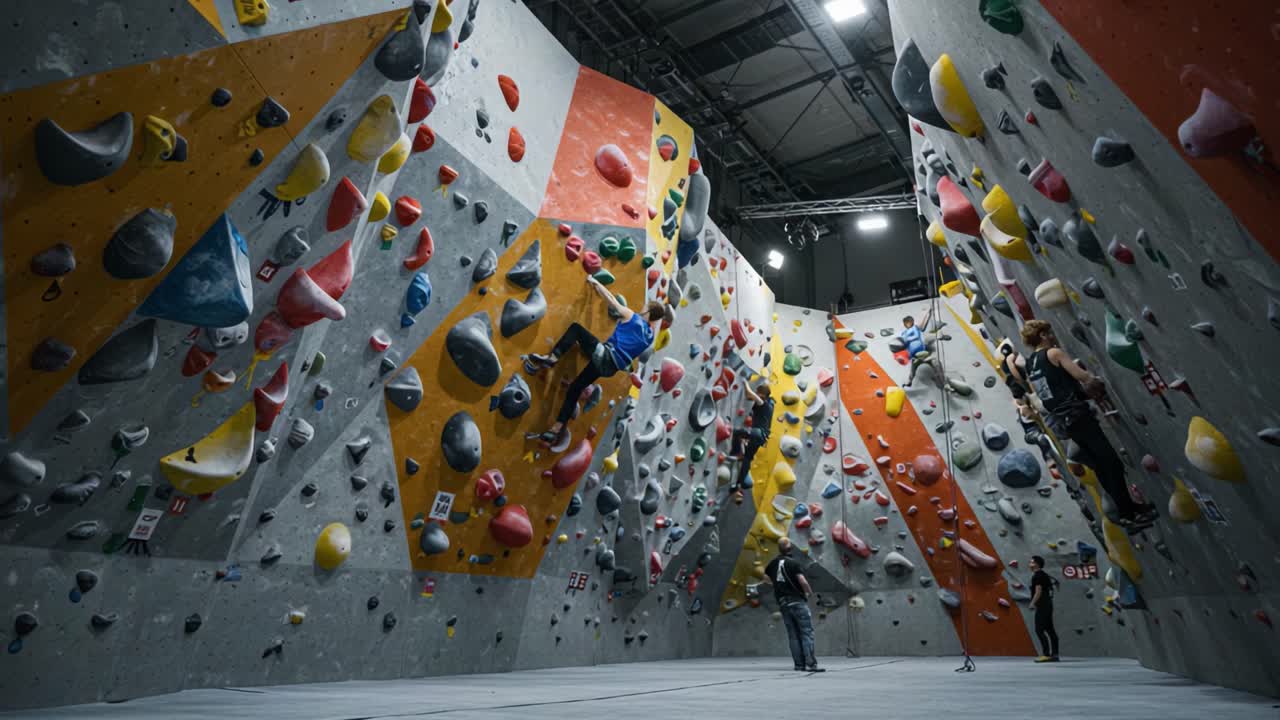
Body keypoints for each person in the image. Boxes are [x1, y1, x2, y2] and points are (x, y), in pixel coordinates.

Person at [1008, 320, 1157, 529]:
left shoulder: (1031, 364)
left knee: (1101, 465)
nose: (1053, 336)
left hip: (1065, 422)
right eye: (1049, 333)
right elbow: (1082, 376)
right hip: (1079, 416)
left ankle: (1128, 511)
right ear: (1042, 335)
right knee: (1111, 462)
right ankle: (1128, 513)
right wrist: (1095, 380)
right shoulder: (1053, 353)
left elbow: (1045, 395)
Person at [526, 276, 664, 446]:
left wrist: (596, 283)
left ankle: (553, 357)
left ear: (648, 312)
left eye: (646, 307)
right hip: (609, 368)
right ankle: (556, 428)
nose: (643, 307)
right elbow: (651, 327)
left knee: (576, 329)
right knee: (575, 389)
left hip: (605, 355)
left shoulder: (634, 318)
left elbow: (612, 301)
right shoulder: (649, 338)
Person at [763, 538, 824, 672]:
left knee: (793, 635)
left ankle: (799, 665)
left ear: (779, 549)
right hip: (797, 601)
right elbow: (802, 581)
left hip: (783, 603)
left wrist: (777, 584)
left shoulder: (772, 563)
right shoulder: (793, 563)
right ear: (789, 548)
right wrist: (809, 593)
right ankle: (811, 664)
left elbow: (765, 578)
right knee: (806, 633)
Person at [730, 380, 773, 491]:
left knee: (736, 432)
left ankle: (735, 453)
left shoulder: (762, 403)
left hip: (758, 433)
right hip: (761, 437)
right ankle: (738, 484)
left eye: (757, 392)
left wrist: (744, 383)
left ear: (762, 394)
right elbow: (750, 398)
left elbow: (749, 394)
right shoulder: (769, 407)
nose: (756, 394)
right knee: (747, 458)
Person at [1028, 555, 1060, 662]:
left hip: (1042, 605)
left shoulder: (1038, 576)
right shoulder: (1044, 575)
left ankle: (1046, 654)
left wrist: (1032, 603)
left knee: (1039, 629)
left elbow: (1038, 591)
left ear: (1037, 564)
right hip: (1047, 604)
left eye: (1031, 562)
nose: (1030, 564)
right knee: (1050, 630)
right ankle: (1055, 654)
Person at [900, 311, 944, 388]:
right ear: (904, 324)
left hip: (925, 353)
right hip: (915, 356)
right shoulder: (904, 333)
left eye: (909, 322)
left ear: (912, 322)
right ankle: (909, 382)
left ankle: (941, 380)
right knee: (912, 370)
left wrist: (927, 314)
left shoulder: (916, 329)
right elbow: (904, 344)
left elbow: (921, 328)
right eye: (906, 323)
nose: (908, 324)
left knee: (936, 363)